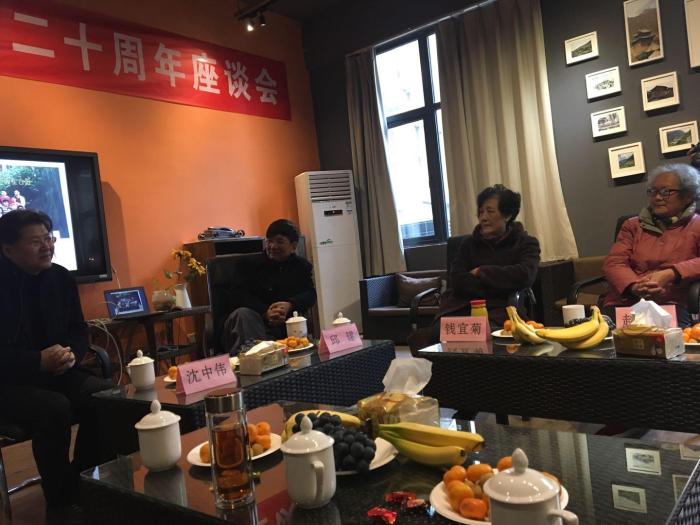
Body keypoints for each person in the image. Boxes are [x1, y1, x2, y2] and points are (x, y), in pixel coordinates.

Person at [0, 209, 112, 520]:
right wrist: (37, 361)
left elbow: (78, 329)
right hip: (9, 383)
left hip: (58, 373)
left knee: (107, 396)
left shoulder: (61, 277)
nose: (46, 246)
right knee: (54, 408)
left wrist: (72, 354)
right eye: (35, 241)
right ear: (8, 249)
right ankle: (60, 502)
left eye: (48, 238)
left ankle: (84, 481)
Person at [408, 185, 541, 352]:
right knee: (429, 338)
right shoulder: (468, 244)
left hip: (501, 309)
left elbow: (525, 275)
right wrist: (501, 283)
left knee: (487, 336)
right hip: (460, 307)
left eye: (490, 211)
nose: (483, 217)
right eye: (480, 212)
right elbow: (457, 280)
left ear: (507, 215)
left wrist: (481, 272)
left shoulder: (526, 243)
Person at [602, 163, 700, 327]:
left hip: (671, 302)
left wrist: (672, 273)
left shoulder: (697, 225)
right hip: (627, 301)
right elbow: (614, 262)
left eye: (665, 192)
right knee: (604, 338)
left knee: (667, 339)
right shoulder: (632, 225)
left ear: (687, 196)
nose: (657, 198)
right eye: (652, 191)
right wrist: (633, 285)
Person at [223, 219, 316, 354]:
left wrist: (290, 304)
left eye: (279, 242)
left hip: (286, 323)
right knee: (243, 314)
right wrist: (265, 312)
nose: (273, 246)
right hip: (254, 323)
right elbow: (237, 296)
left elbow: (310, 294)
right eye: (269, 241)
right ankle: (256, 359)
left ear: (293, 246)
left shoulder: (301, 266)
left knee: (298, 321)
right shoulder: (247, 264)